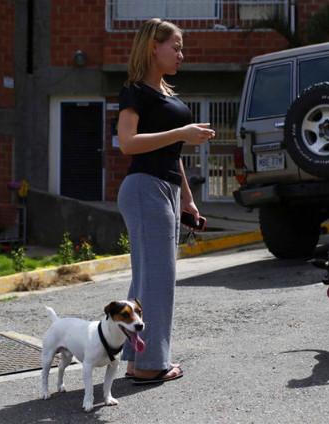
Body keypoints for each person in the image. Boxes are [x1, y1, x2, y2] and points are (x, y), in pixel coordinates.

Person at [116, 18, 215, 384]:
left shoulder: (167, 96)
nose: (181, 54)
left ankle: (136, 358)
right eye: (174, 47)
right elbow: (128, 143)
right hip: (144, 188)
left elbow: (172, 155)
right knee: (158, 280)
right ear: (151, 48)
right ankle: (150, 364)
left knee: (148, 281)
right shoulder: (134, 92)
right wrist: (183, 132)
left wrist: (188, 200)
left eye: (181, 47)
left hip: (167, 189)